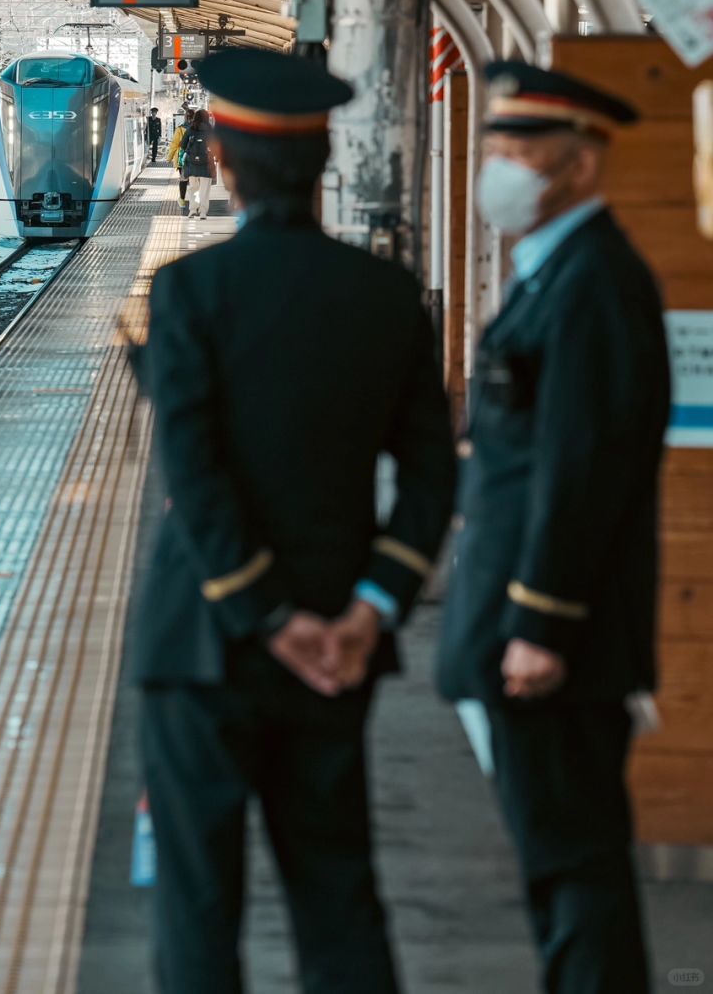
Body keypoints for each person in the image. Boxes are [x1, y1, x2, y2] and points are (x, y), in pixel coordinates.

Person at [134, 48, 456, 994]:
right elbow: (434, 477)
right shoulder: (386, 298)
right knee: (336, 893)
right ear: (325, 164)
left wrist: (267, 614)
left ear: (223, 160)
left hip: (203, 646)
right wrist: (368, 607)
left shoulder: (191, 293)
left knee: (198, 908)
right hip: (339, 650)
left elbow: (193, 477)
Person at [436, 62, 671, 994]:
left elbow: (583, 469)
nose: (498, 166)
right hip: (527, 630)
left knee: (574, 862)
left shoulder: (597, 282)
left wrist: (540, 621)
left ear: (577, 165)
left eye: (518, 149)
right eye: (492, 146)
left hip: (551, 642)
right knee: (556, 858)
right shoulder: (561, 272)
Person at [180, 107, 216, 218]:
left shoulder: (190, 129)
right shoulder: (210, 130)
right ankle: (203, 212)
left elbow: (183, 145)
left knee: (193, 188)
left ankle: (192, 209)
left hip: (192, 163)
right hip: (207, 163)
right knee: (204, 189)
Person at [167, 109, 191, 209]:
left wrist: (169, 158)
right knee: (193, 180)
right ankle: (195, 201)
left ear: (185, 117)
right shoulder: (198, 129)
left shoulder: (180, 129)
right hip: (195, 158)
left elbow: (174, 145)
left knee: (183, 179)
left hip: (182, 158)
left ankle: (182, 200)